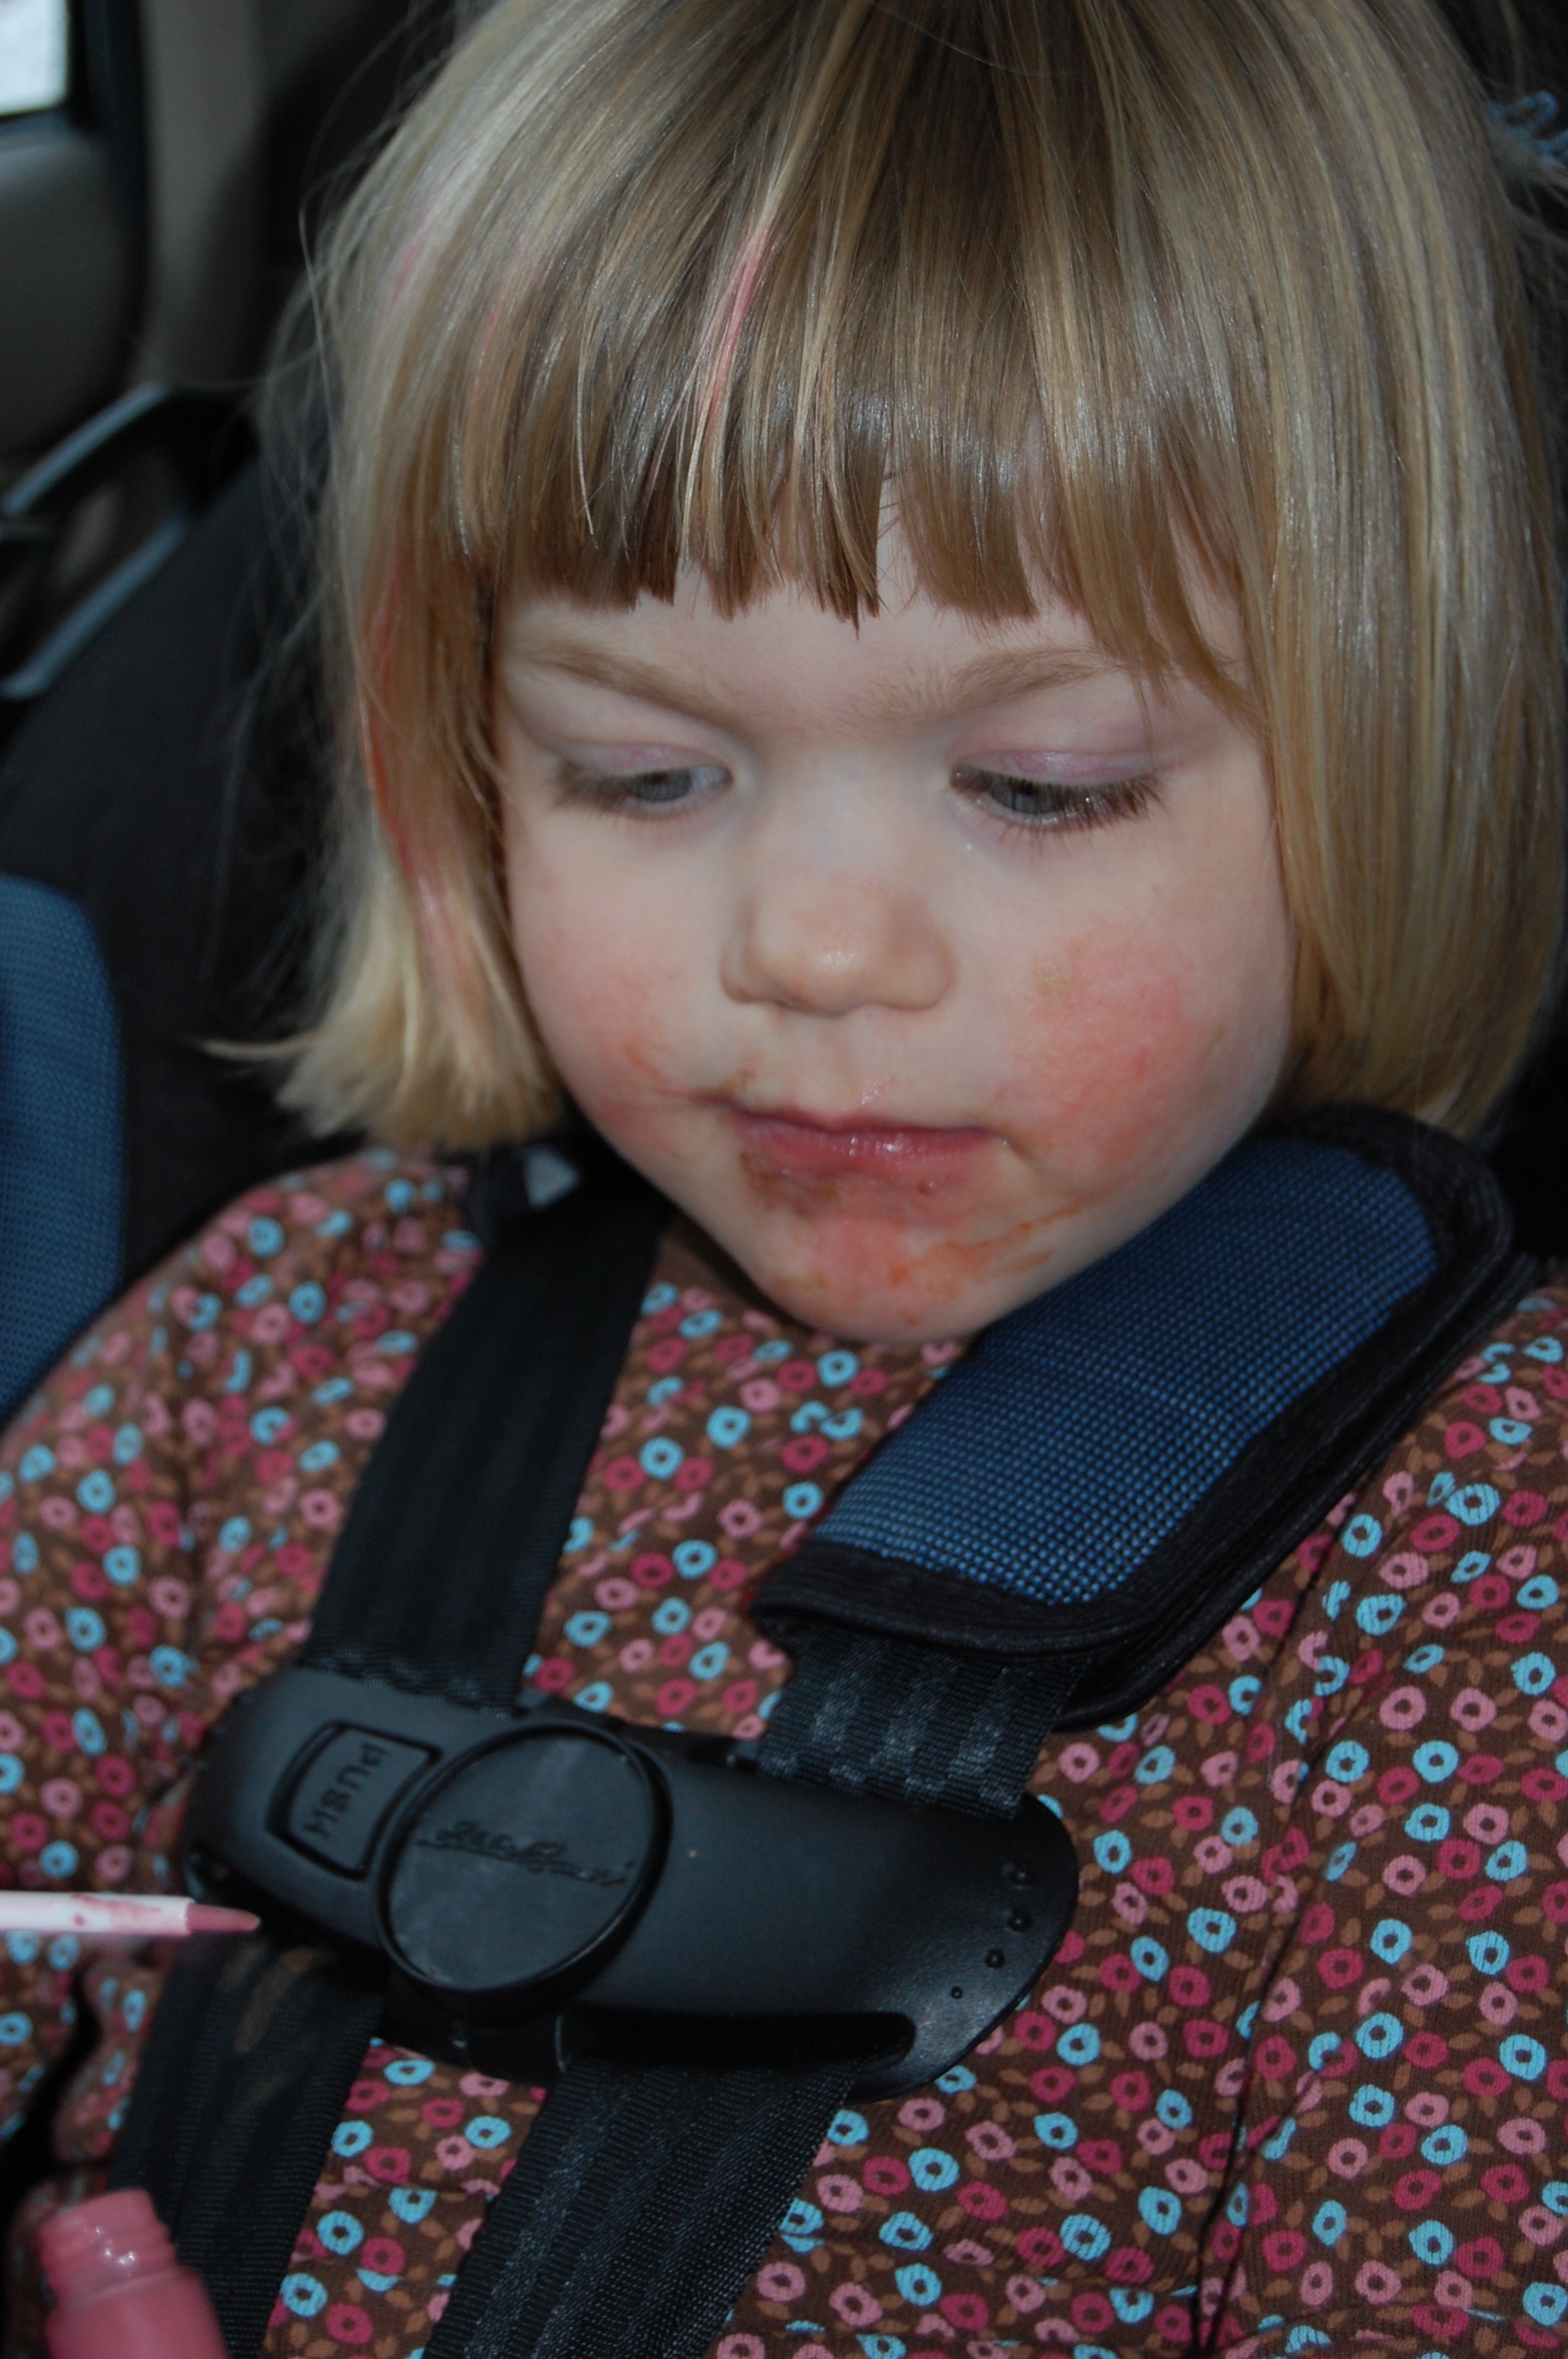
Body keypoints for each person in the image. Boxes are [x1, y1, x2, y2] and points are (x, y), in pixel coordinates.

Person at [2, 0, 1567, 2351]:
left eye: (1043, 784)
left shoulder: (1478, 1548)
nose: (815, 951)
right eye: (643, 773)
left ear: (1386, 744)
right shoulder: (268, 1349)